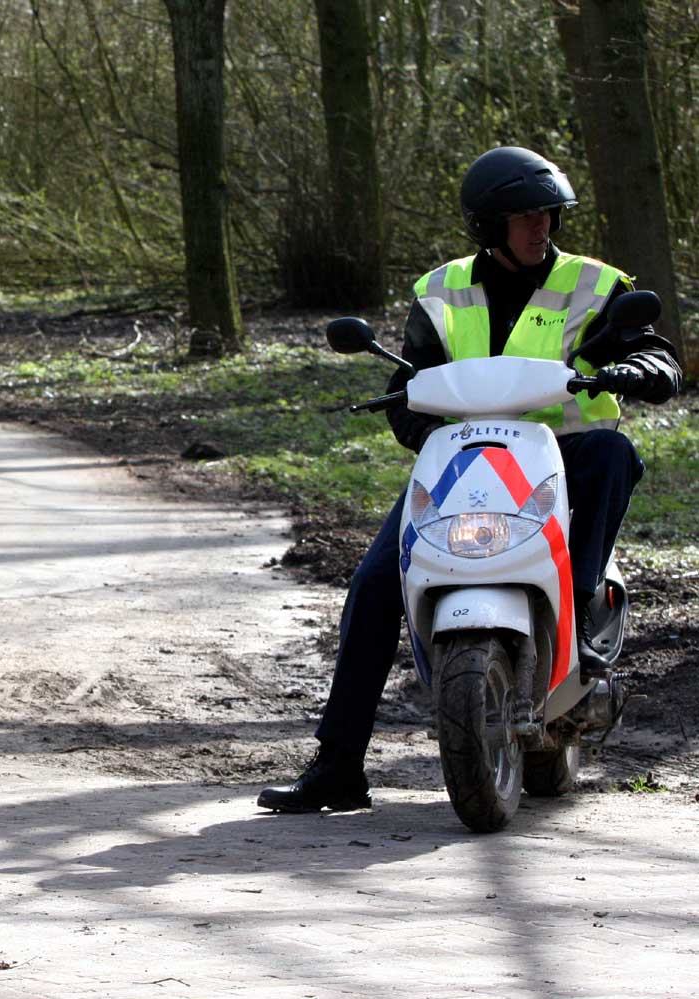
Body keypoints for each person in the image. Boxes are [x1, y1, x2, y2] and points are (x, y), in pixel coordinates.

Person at [257, 146, 683, 814]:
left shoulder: (597, 285)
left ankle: (581, 604)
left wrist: (646, 369)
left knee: (611, 450)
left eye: (547, 213)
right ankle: (338, 763)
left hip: (562, 456)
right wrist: (409, 413)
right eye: (523, 216)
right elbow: (410, 384)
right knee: (374, 581)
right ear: (489, 225)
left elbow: (653, 349)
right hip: (468, 464)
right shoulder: (441, 292)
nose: (540, 225)